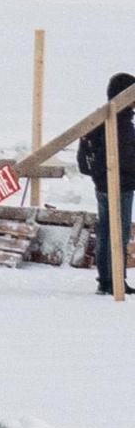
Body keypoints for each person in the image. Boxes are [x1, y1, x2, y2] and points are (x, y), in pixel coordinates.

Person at [79, 71, 135, 295]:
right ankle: (114, 281)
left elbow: (89, 159)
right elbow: (126, 158)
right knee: (117, 233)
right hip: (120, 185)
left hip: (104, 184)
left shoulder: (100, 119)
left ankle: (107, 279)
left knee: (106, 231)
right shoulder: (120, 123)